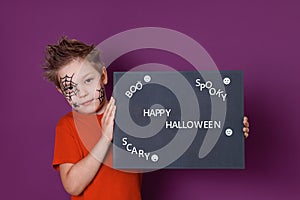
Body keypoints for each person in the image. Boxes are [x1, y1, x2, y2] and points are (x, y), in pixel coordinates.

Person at [43, 37, 250, 200]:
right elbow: (73, 185)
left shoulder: (134, 115)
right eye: (71, 87)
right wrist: (105, 137)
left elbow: (182, 131)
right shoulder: (68, 125)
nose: (83, 93)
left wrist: (227, 130)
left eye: (88, 80)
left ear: (103, 76)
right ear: (61, 91)